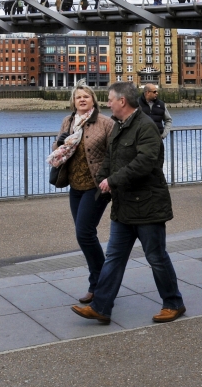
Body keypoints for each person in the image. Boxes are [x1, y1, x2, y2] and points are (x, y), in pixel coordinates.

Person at [72, 82, 187, 325]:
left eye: (110, 99)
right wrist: (103, 178)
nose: (108, 103)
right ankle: (101, 307)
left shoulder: (146, 126)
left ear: (122, 101)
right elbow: (110, 159)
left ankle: (173, 303)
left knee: (156, 257)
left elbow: (146, 162)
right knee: (114, 258)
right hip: (124, 206)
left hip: (147, 205)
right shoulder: (119, 127)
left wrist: (113, 180)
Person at [48, 82, 115, 304]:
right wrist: (59, 145)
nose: (83, 100)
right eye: (79, 97)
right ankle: (103, 281)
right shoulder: (68, 121)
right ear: (73, 102)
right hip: (75, 186)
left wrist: (110, 178)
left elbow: (115, 153)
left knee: (84, 233)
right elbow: (57, 147)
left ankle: (98, 284)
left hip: (97, 186)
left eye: (86, 96)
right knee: (85, 234)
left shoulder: (105, 123)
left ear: (94, 100)